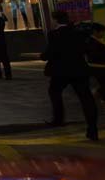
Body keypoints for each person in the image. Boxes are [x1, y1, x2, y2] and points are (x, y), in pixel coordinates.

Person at [42, 11, 98, 141]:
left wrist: (43, 56)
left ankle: (58, 119)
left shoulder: (54, 34)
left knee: (54, 91)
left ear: (55, 20)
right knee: (86, 99)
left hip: (61, 71)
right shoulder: (78, 32)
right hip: (79, 69)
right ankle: (92, 129)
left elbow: (51, 52)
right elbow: (86, 49)